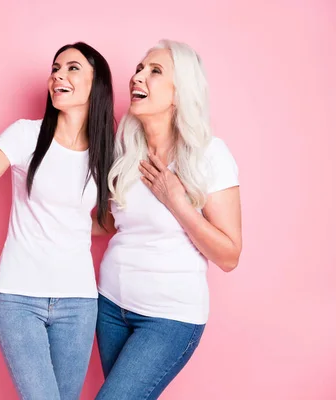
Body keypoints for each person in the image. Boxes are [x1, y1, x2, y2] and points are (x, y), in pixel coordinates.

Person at [0, 42, 115, 399]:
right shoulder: (26, 134)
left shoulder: (106, 151)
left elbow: (102, 221)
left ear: (96, 82)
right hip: (18, 298)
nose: (58, 75)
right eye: (55, 68)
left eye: (71, 68)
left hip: (79, 303)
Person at [94, 39, 242, 399]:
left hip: (169, 319)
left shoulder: (210, 155)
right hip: (110, 306)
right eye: (139, 69)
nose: (137, 77)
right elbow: (111, 226)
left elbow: (229, 255)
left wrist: (176, 200)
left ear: (180, 93)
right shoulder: (126, 150)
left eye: (155, 71)